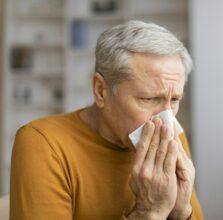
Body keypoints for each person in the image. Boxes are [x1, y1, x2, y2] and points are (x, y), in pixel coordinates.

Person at [10, 20, 204, 220]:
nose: (166, 120)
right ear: (101, 91)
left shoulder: (171, 138)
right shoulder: (44, 144)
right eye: (149, 99)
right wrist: (149, 212)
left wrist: (181, 213)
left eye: (174, 100)